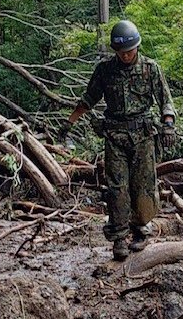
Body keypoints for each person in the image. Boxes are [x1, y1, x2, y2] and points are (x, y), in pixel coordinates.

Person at [64, 20, 176, 261]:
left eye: (130, 51)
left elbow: (165, 99)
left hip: (143, 136)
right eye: (121, 52)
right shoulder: (105, 70)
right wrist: (70, 122)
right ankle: (118, 237)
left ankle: (140, 228)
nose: (126, 56)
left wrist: (168, 125)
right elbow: (89, 98)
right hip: (115, 136)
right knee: (117, 188)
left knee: (144, 185)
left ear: (137, 47)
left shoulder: (150, 68)